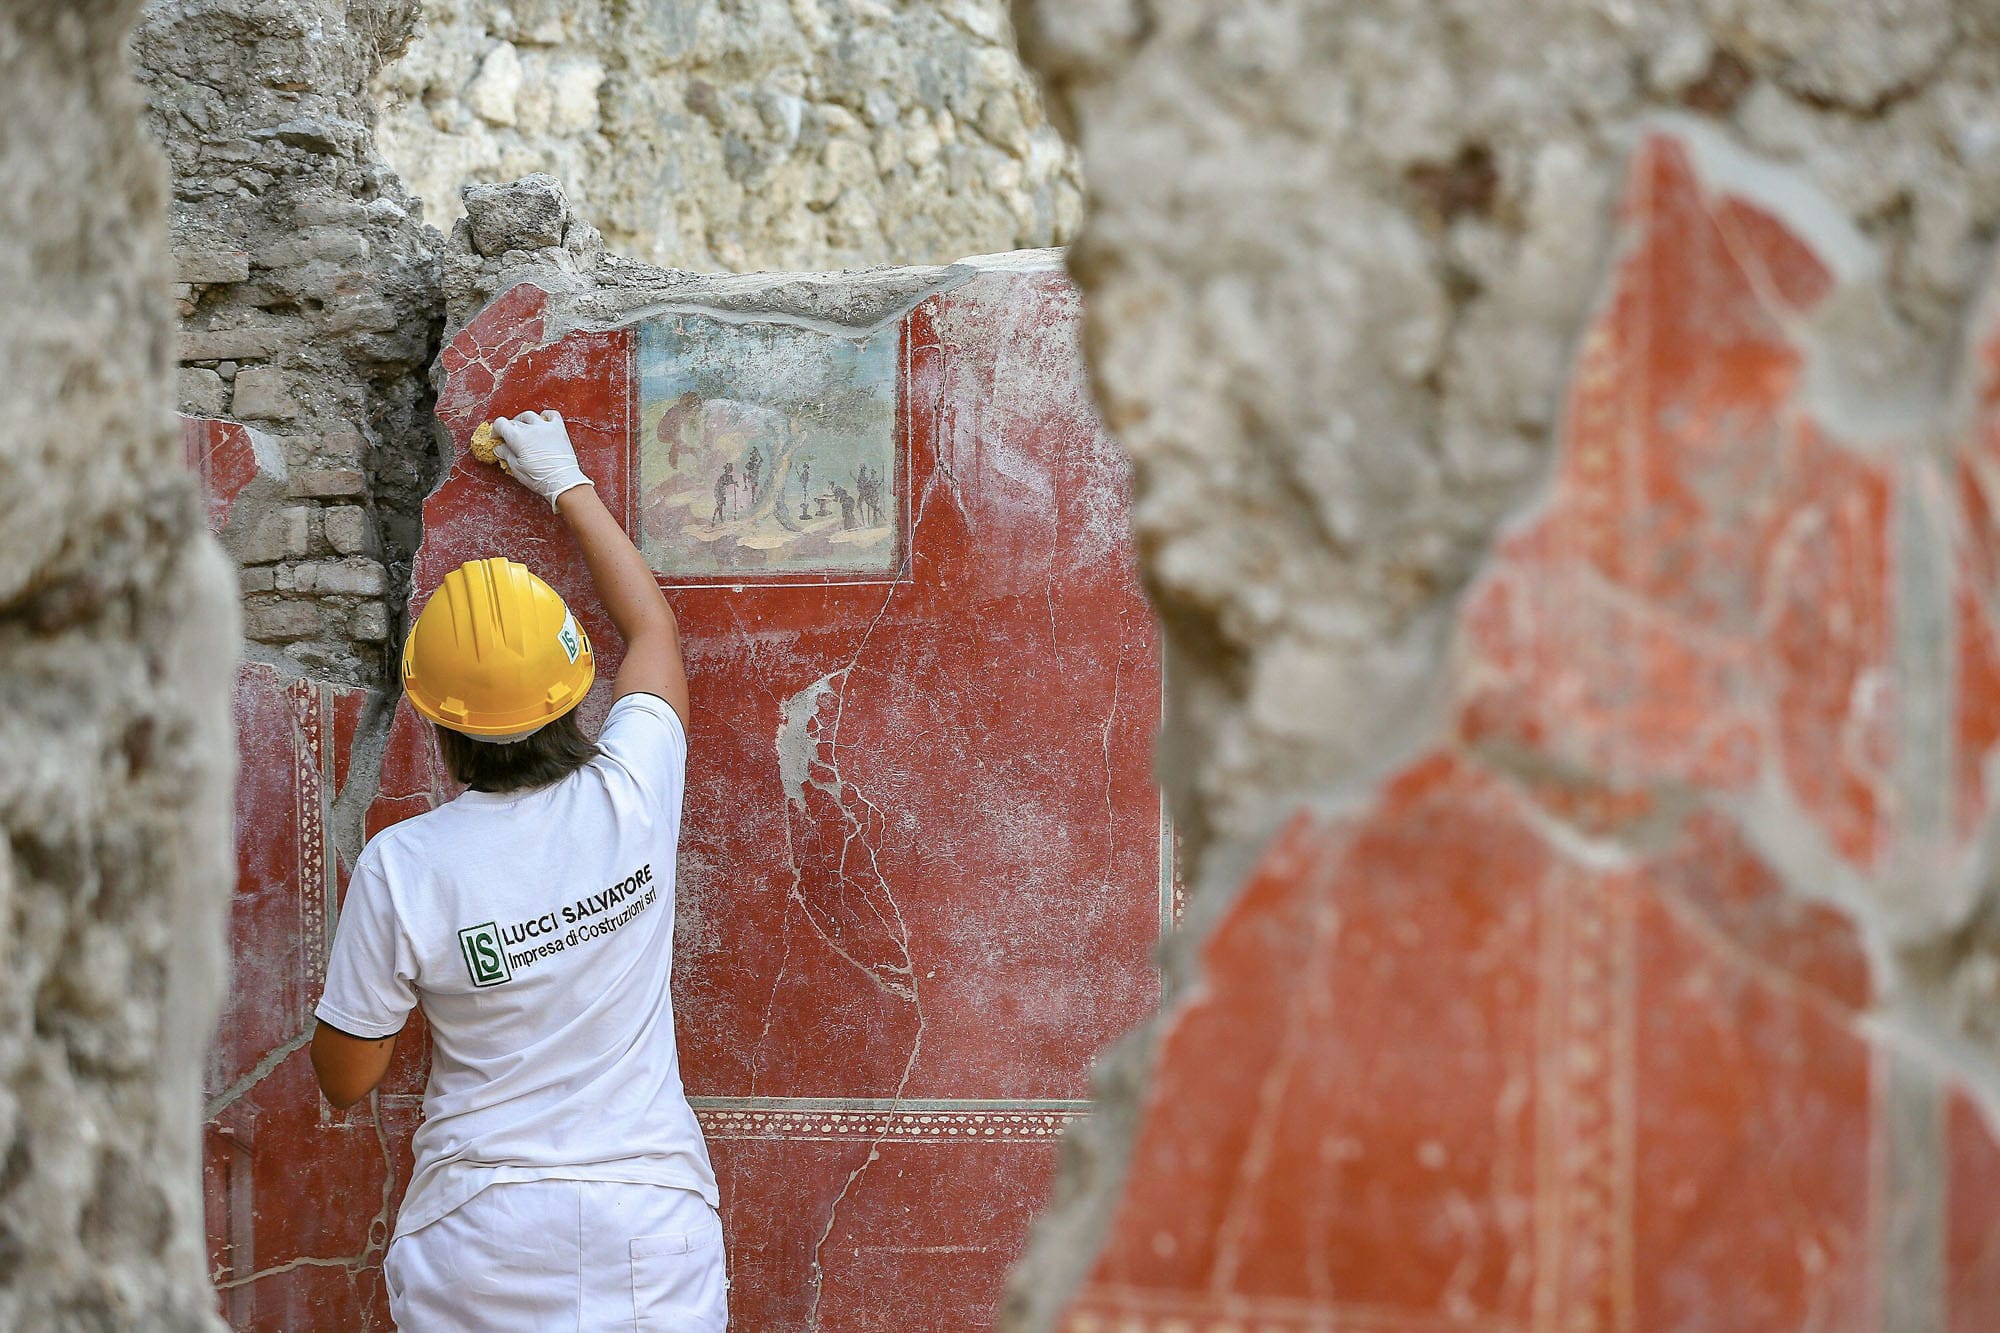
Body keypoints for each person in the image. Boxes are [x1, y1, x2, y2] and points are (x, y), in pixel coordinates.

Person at [310, 409, 727, 1331]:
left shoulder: (403, 865)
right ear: (576, 692)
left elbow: (346, 1076)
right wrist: (564, 478)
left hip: (477, 1233)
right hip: (649, 1229)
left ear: (435, 718)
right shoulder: (633, 792)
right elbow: (651, 627)